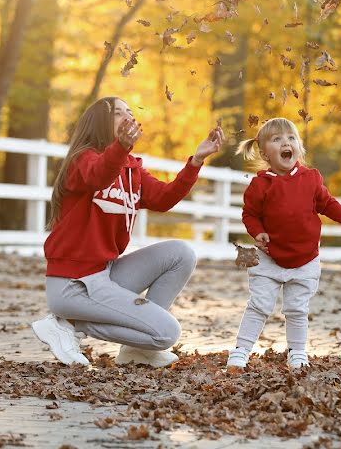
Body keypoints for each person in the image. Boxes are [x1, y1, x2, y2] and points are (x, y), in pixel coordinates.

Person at [30, 96, 224, 368]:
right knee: (167, 333)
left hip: (105, 273)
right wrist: (120, 147)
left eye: (130, 112)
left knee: (181, 254)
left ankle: (136, 351)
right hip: (73, 284)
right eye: (117, 113)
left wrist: (196, 162)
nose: (127, 117)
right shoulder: (81, 161)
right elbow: (99, 174)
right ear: (100, 122)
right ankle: (69, 324)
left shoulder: (132, 169)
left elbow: (163, 199)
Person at [225, 117, 341, 371]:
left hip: (305, 259)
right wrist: (257, 232)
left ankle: (297, 353)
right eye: (277, 139)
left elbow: (327, 203)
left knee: (296, 309)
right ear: (264, 153)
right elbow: (249, 214)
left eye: (291, 138)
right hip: (269, 258)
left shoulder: (311, 178)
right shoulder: (260, 185)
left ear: (298, 147)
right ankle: (241, 351)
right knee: (259, 305)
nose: (286, 142)